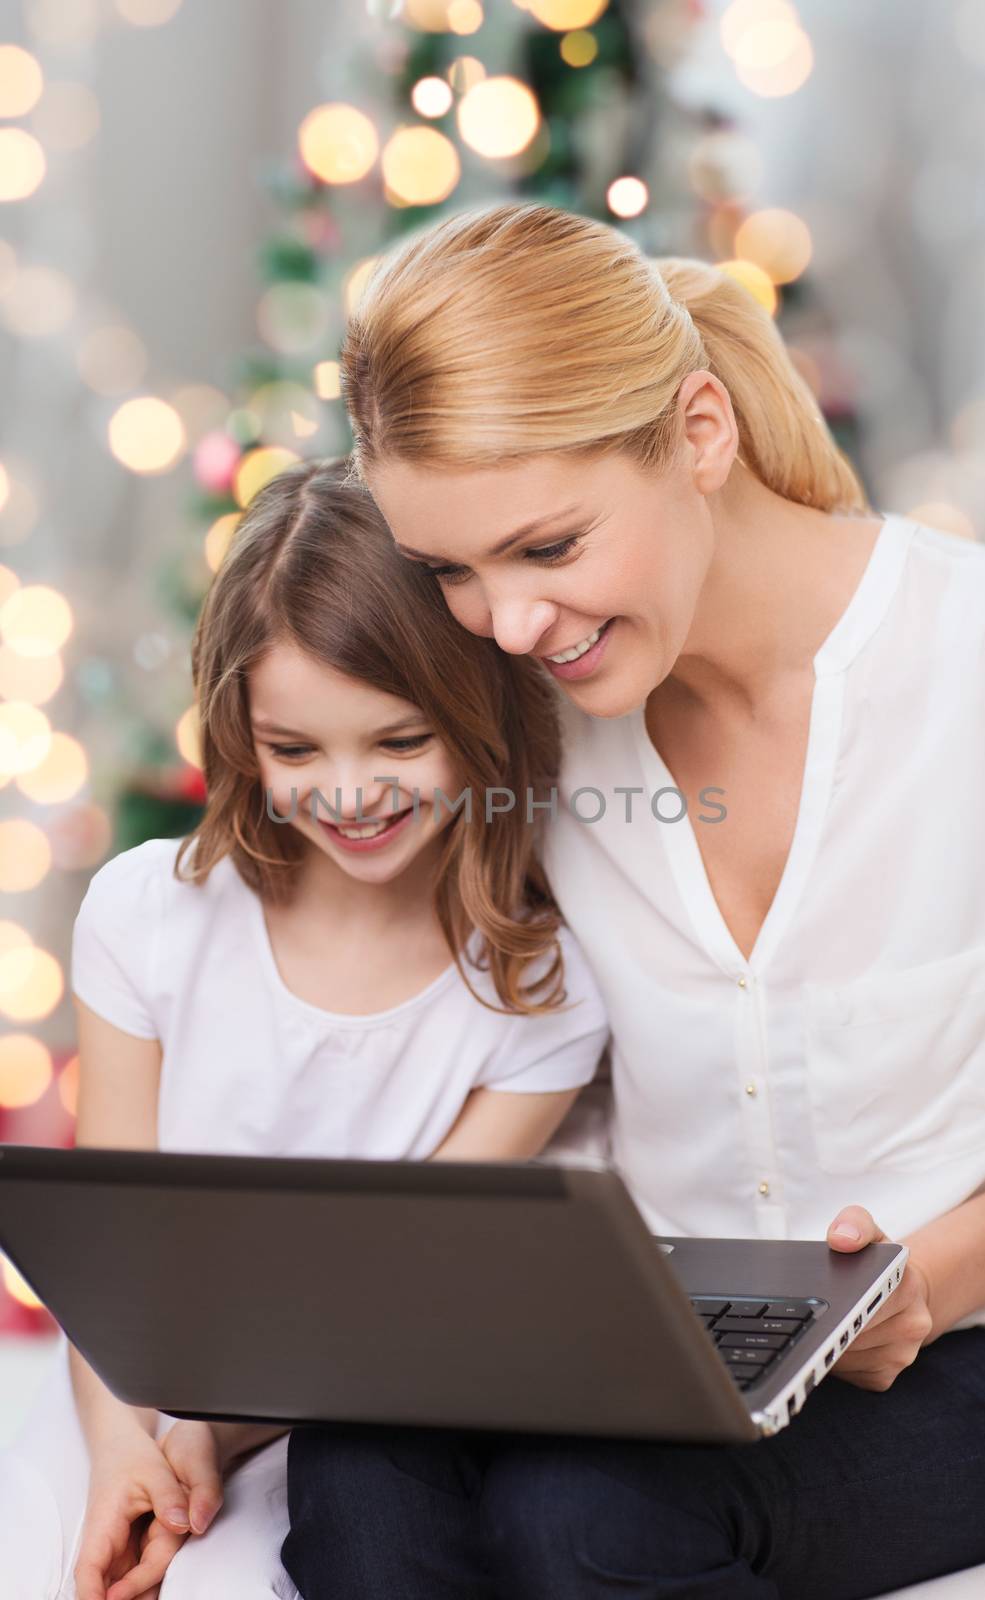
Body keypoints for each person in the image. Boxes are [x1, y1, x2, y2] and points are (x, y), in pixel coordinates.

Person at [278, 203, 985, 1599]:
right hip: (633, 1337)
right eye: (451, 573)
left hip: (948, 1348)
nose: (508, 624)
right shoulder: (525, 728)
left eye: (546, 547)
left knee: (579, 1518)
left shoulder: (961, 665)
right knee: (358, 1469)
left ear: (701, 434)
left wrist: (934, 1279)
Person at [0, 456, 610, 1600]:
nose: (348, 793)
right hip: (126, 1401)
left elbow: (391, 1309)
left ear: (481, 722)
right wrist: (131, 1440)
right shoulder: (149, 912)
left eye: (397, 742)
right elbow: (111, 1259)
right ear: (239, 735)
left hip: (343, 1414)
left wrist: (211, 1442)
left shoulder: (538, 990)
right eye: (294, 752)